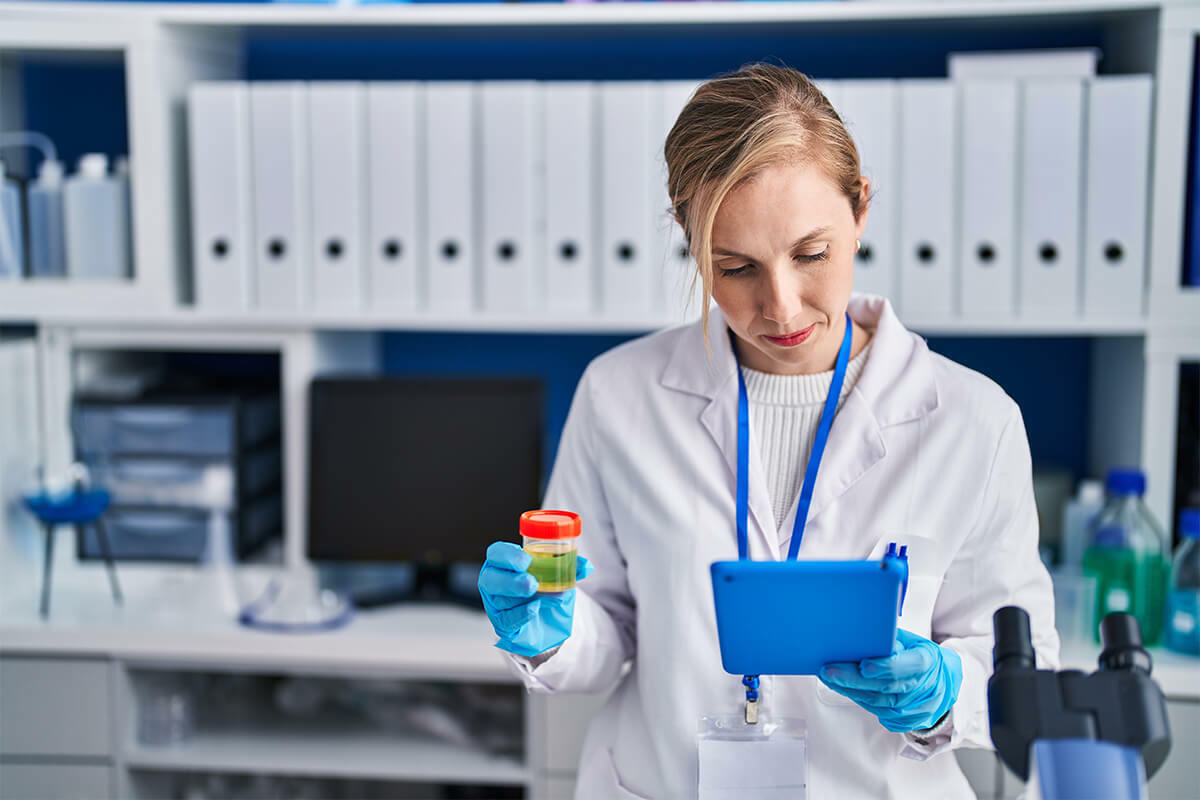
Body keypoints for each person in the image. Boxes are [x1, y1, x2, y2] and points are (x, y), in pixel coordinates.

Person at [478, 63, 1059, 799]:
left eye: (811, 255)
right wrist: (553, 628)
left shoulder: (973, 420)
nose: (781, 307)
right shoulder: (618, 396)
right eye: (735, 267)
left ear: (860, 211)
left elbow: (1024, 673)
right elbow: (609, 628)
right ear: (694, 249)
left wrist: (947, 692)